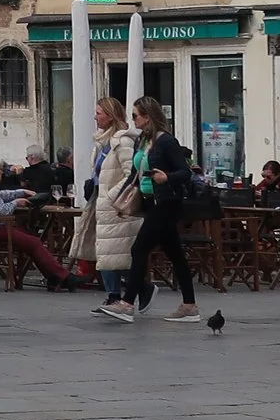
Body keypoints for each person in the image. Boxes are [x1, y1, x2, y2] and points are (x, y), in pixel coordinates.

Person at [122, 98, 201, 324]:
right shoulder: (141, 140)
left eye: (135, 115)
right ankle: (189, 305)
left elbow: (185, 172)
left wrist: (167, 177)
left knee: (139, 248)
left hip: (166, 202)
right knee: (174, 253)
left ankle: (127, 303)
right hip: (149, 202)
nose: (133, 120)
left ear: (147, 117)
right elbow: (135, 173)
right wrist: (122, 199)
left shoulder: (166, 141)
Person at [0, 161, 83, 290]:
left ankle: (54, 277)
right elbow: (1, 211)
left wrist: (21, 192)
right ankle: (64, 277)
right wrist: (16, 203)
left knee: (29, 238)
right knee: (33, 242)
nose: (2, 172)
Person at [77, 99, 141, 316]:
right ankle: (114, 294)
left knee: (114, 252)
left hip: (116, 206)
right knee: (105, 251)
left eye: (99, 113)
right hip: (102, 204)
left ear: (110, 115)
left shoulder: (122, 142)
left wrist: (112, 195)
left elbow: (131, 174)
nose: (95, 117)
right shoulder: (102, 143)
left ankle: (126, 293)